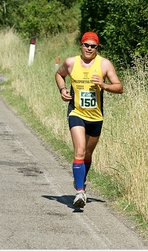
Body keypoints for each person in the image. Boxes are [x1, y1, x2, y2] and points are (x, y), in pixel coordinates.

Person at [54, 32, 123, 208]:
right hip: (76, 112)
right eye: (86, 45)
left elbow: (119, 87)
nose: (89, 48)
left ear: (97, 48)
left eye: (93, 46)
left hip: (96, 116)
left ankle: (81, 181)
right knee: (80, 150)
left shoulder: (104, 64)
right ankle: (80, 192)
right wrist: (62, 89)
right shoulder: (71, 62)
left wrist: (104, 85)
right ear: (81, 45)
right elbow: (59, 74)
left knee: (88, 155)